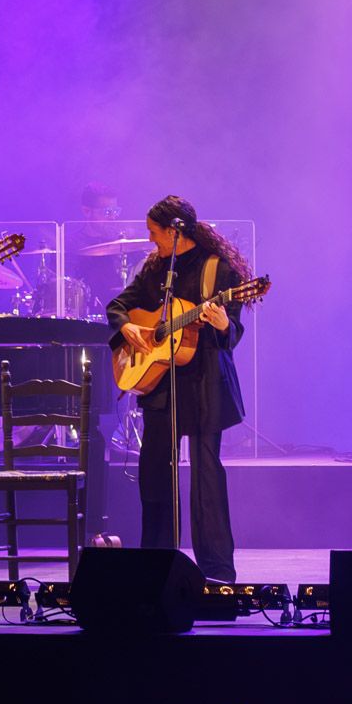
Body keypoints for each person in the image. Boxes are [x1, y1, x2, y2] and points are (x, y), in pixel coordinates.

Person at [106, 196, 249, 581]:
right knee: (155, 472)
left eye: (154, 232)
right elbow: (118, 305)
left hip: (205, 383)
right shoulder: (155, 269)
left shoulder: (217, 269)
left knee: (206, 475)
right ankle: (155, 567)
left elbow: (234, 332)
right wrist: (126, 326)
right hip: (161, 386)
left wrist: (222, 324)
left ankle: (217, 571)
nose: (151, 240)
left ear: (174, 231)